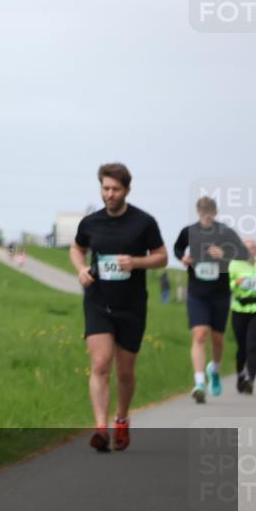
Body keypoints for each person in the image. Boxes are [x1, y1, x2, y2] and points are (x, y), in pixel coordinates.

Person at [70, 163, 167, 452]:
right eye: (105, 188)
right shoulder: (90, 223)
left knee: (125, 371)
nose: (110, 194)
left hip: (132, 304)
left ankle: (121, 419)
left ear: (127, 190)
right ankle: (101, 428)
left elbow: (161, 257)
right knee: (100, 364)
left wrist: (136, 262)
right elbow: (77, 248)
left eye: (115, 189)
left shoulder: (144, 223)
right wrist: (81, 269)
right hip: (98, 300)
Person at [172, 196, 248, 403]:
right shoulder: (189, 232)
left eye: (209, 215)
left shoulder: (225, 232)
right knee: (199, 334)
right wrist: (183, 258)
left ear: (215, 214)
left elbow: (243, 252)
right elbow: (177, 248)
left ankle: (214, 369)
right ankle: (199, 383)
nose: (206, 219)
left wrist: (225, 253)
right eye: (202, 215)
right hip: (197, 293)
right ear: (198, 213)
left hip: (220, 294)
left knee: (217, 338)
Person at [229, 238, 256, 394]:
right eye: (246, 248)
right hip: (239, 309)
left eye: (252, 247)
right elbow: (228, 284)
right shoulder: (234, 264)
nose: (249, 250)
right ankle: (241, 375)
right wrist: (236, 283)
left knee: (253, 346)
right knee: (242, 347)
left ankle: (250, 379)